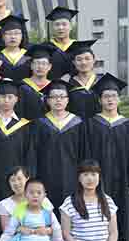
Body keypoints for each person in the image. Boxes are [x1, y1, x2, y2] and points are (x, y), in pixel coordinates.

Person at [86, 74, 129, 241]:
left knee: (120, 218)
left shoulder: (127, 125)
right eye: (106, 96)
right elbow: (86, 154)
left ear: (119, 100)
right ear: (100, 100)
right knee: (97, 218)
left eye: (113, 96)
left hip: (121, 181)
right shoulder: (91, 124)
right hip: (98, 181)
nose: (110, 100)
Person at [32, 80, 90, 210]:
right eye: (54, 97)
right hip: (45, 176)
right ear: (47, 100)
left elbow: (84, 152)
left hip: (72, 176)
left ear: (67, 100)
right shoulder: (40, 123)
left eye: (62, 97)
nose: (58, 100)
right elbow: (33, 152)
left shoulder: (78, 123)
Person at [0, 80, 36, 202]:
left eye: (10, 97)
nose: (6, 100)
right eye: (3, 97)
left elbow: (30, 154)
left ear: (16, 99)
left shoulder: (25, 125)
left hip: (20, 180)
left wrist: (28, 177)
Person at [18, 44, 56, 121]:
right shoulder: (21, 87)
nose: (40, 67)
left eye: (44, 63)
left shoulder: (54, 86)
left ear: (49, 67)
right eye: (37, 63)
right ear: (31, 66)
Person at [67, 40, 101, 120]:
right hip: (76, 126)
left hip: (99, 126)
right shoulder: (68, 85)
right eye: (79, 59)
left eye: (87, 58)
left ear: (94, 60)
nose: (83, 62)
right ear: (74, 62)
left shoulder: (102, 82)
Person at [44, 6, 79, 80]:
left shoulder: (78, 47)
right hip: (51, 85)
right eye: (57, 24)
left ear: (71, 27)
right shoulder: (45, 47)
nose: (60, 28)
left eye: (64, 24)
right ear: (52, 27)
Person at [0, 15, 31, 82]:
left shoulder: (29, 56)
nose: (13, 37)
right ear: (2, 36)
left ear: (22, 36)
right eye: (9, 33)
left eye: (16, 33)